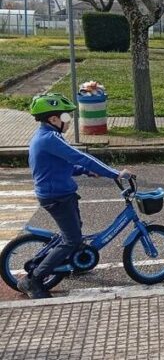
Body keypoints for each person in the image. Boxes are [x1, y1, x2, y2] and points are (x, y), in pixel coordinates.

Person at [22, 93, 132, 299]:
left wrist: (84, 171)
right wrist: (115, 173)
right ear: (53, 119)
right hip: (56, 196)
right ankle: (33, 280)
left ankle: (76, 261)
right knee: (71, 239)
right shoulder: (50, 138)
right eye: (65, 116)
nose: (69, 120)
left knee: (75, 232)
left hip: (60, 192)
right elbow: (81, 156)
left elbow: (58, 166)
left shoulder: (43, 136)